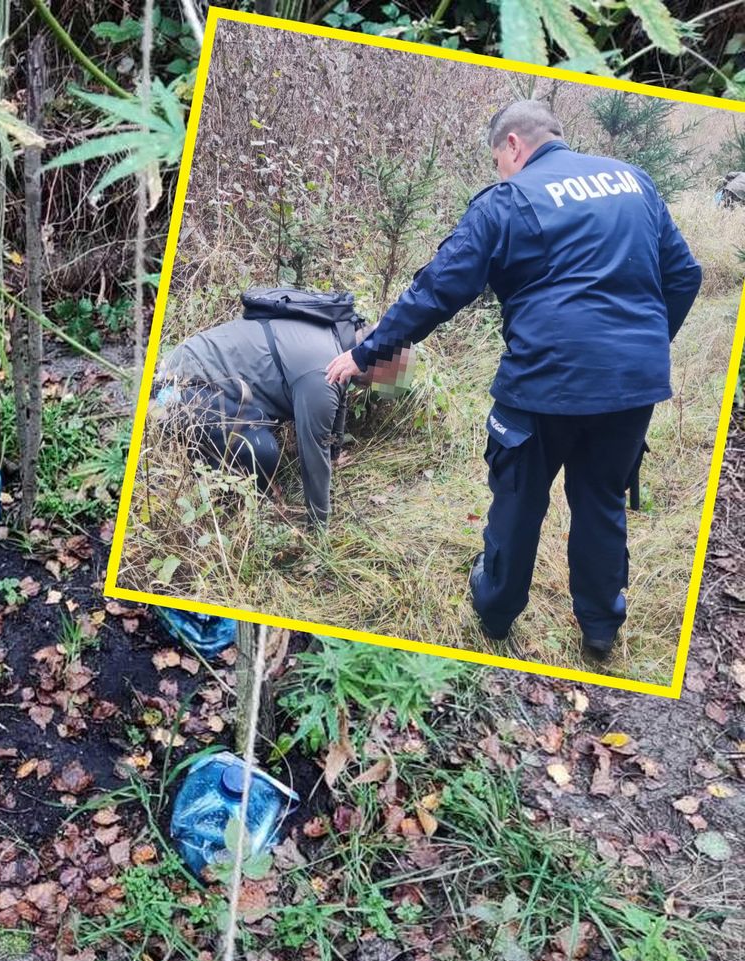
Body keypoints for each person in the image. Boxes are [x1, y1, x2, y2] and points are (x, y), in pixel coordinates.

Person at [325, 99, 702, 661]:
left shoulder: (508, 199)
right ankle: (600, 626)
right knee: (600, 498)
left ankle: (496, 613)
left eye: (499, 160)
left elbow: (437, 291)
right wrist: (639, 350)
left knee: (519, 500)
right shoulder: (634, 181)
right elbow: (684, 275)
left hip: (542, 384)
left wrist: (368, 353)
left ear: (513, 146)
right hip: (631, 385)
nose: (501, 171)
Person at [154, 288, 399, 527]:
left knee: (256, 435)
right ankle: (228, 503)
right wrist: (319, 522)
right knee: (261, 451)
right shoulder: (321, 373)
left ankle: (230, 473)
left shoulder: (340, 335)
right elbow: (313, 448)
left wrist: (334, 454)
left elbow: (340, 395)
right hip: (170, 393)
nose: (377, 386)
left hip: (209, 386)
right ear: (374, 363)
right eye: (382, 379)